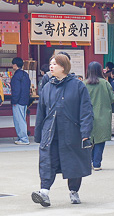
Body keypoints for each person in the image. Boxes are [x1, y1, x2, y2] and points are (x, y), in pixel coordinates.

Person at [32, 52, 94, 207]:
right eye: (50, 64)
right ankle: (44, 192)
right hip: (51, 132)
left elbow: (86, 111)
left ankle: (74, 191)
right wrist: (38, 134)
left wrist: (85, 132)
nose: (51, 66)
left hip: (72, 132)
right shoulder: (47, 87)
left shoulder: (78, 86)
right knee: (47, 161)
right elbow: (41, 113)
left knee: (73, 161)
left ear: (64, 66)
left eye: (55, 64)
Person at [84, 61, 114, 170]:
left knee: (88, 140)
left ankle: (88, 162)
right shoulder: (105, 83)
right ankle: (97, 163)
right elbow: (112, 99)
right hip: (103, 116)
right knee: (100, 140)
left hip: (87, 117)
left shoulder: (84, 84)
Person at [9, 58, 32, 146]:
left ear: (15, 65)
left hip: (18, 101)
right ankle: (21, 137)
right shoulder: (25, 74)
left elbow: (16, 90)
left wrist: (14, 100)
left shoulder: (16, 76)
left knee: (19, 120)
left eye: (13, 64)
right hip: (25, 100)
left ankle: (24, 139)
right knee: (22, 119)